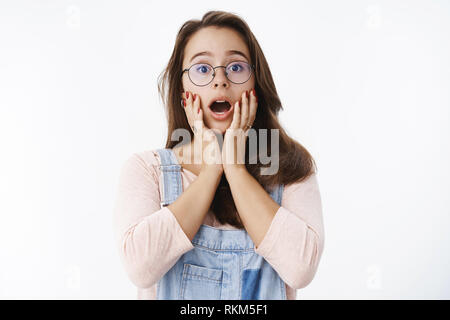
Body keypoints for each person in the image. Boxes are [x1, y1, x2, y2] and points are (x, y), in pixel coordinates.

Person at [113, 10, 325, 300]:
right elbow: (140, 268)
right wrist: (213, 169)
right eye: (202, 68)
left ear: (255, 86)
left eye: (236, 67)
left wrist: (234, 169)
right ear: (182, 91)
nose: (220, 80)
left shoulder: (290, 169)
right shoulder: (147, 170)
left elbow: (301, 269)